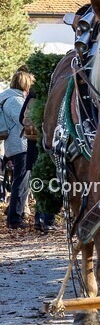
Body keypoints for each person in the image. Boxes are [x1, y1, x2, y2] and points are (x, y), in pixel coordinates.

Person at [0, 67, 35, 230]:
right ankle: (14, 219)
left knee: (21, 182)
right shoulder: (15, 100)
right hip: (20, 146)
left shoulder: (9, 98)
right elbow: (25, 121)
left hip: (15, 146)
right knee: (21, 183)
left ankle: (15, 214)